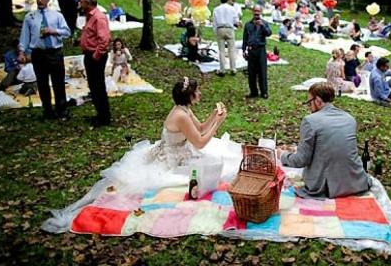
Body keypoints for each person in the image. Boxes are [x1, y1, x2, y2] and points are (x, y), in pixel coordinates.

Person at [41, 77, 242, 234]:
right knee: (217, 166)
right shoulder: (180, 115)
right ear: (189, 96)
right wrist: (219, 123)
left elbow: (199, 128)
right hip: (173, 160)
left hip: (181, 150)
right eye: (196, 91)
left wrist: (214, 117)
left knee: (222, 158)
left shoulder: (184, 109)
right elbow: (199, 141)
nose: (199, 93)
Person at [278, 82, 371, 198]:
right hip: (356, 182)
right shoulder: (349, 119)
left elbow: (300, 161)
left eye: (309, 103)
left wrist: (282, 155)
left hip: (326, 187)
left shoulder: (310, 121)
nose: (309, 107)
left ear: (317, 100)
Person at [18, 0, 71, 120]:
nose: (40, 1)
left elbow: (67, 32)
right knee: (42, 83)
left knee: (58, 82)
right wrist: (21, 52)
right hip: (39, 53)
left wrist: (53, 31)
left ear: (48, 0)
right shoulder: (30, 17)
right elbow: (24, 36)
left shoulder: (56, 15)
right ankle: (47, 110)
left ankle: (61, 109)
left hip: (54, 52)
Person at [79, 0, 111, 127]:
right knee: (93, 86)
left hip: (95, 56)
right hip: (90, 54)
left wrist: (95, 56)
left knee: (98, 86)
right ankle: (99, 113)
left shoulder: (99, 17)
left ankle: (104, 117)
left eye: (81, 2)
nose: (80, 4)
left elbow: (104, 40)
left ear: (88, 3)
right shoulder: (90, 16)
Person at [243, 4, 272, 99]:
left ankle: (264, 92)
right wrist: (244, 49)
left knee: (262, 71)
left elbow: (269, 33)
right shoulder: (248, 24)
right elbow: (245, 38)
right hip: (251, 50)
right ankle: (253, 92)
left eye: (258, 11)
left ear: (261, 12)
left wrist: (262, 26)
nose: (256, 13)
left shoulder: (264, 23)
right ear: (252, 11)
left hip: (261, 50)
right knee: (251, 72)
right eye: (255, 11)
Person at [212, 0, 240, 76]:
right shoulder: (232, 9)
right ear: (228, 0)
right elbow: (236, 21)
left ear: (220, 0)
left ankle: (222, 69)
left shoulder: (216, 9)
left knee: (221, 51)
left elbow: (214, 21)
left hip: (220, 28)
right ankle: (233, 68)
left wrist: (215, 31)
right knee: (231, 49)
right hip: (229, 29)